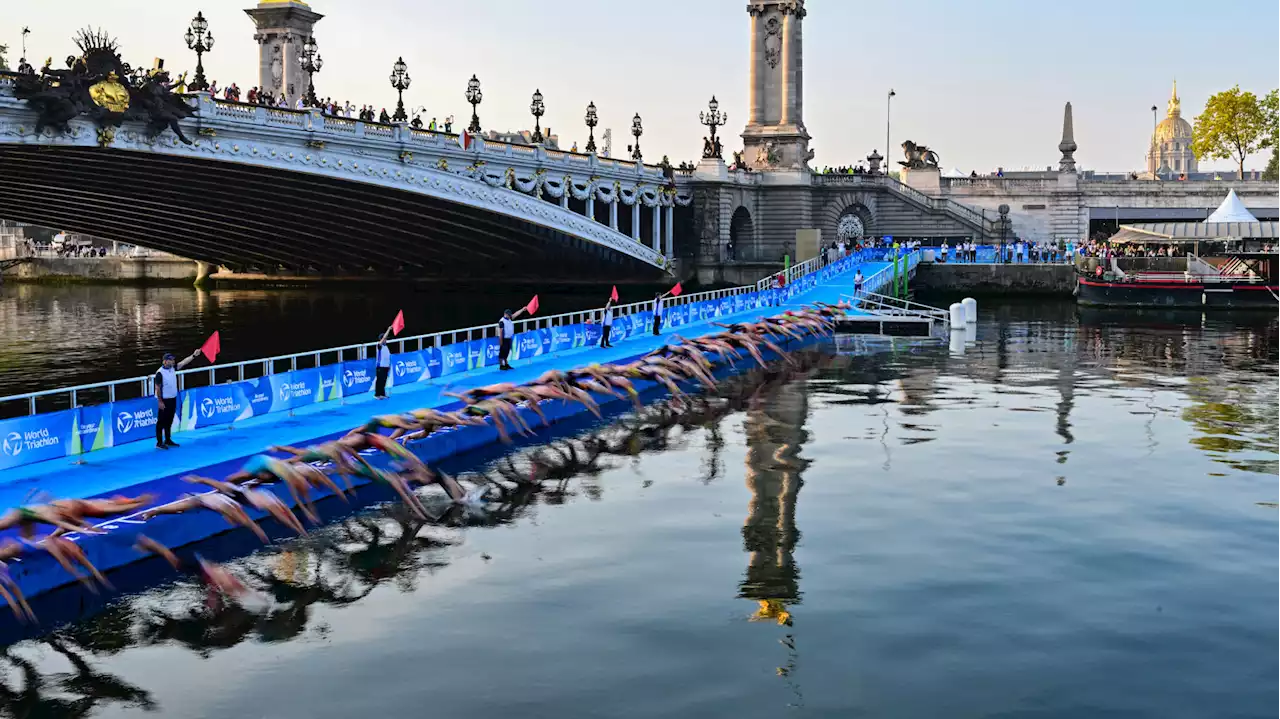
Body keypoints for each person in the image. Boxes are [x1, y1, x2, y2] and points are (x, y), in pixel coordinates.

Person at [155, 347, 202, 449]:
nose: (173, 361)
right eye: (171, 360)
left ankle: (168, 439)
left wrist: (194, 355)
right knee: (161, 422)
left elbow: (184, 362)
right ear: (165, 361)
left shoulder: (172, 368)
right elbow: (157, 388)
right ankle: (159, 442)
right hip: (164, 400)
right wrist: (160, 401)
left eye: (173, 360)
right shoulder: (160, 373)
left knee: (169, 420)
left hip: (173, 398)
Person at [374, 325, 393, 399]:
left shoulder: (386, 347)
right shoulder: (379, 345)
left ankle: (382, 394)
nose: (386, 340)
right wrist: (388, 329)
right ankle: (377, 394)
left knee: (384, 381)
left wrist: (389, 365)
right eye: (385, 339)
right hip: (380, 366)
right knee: (379, 381)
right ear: (382, 339)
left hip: (386, 366)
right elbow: (384, 337)